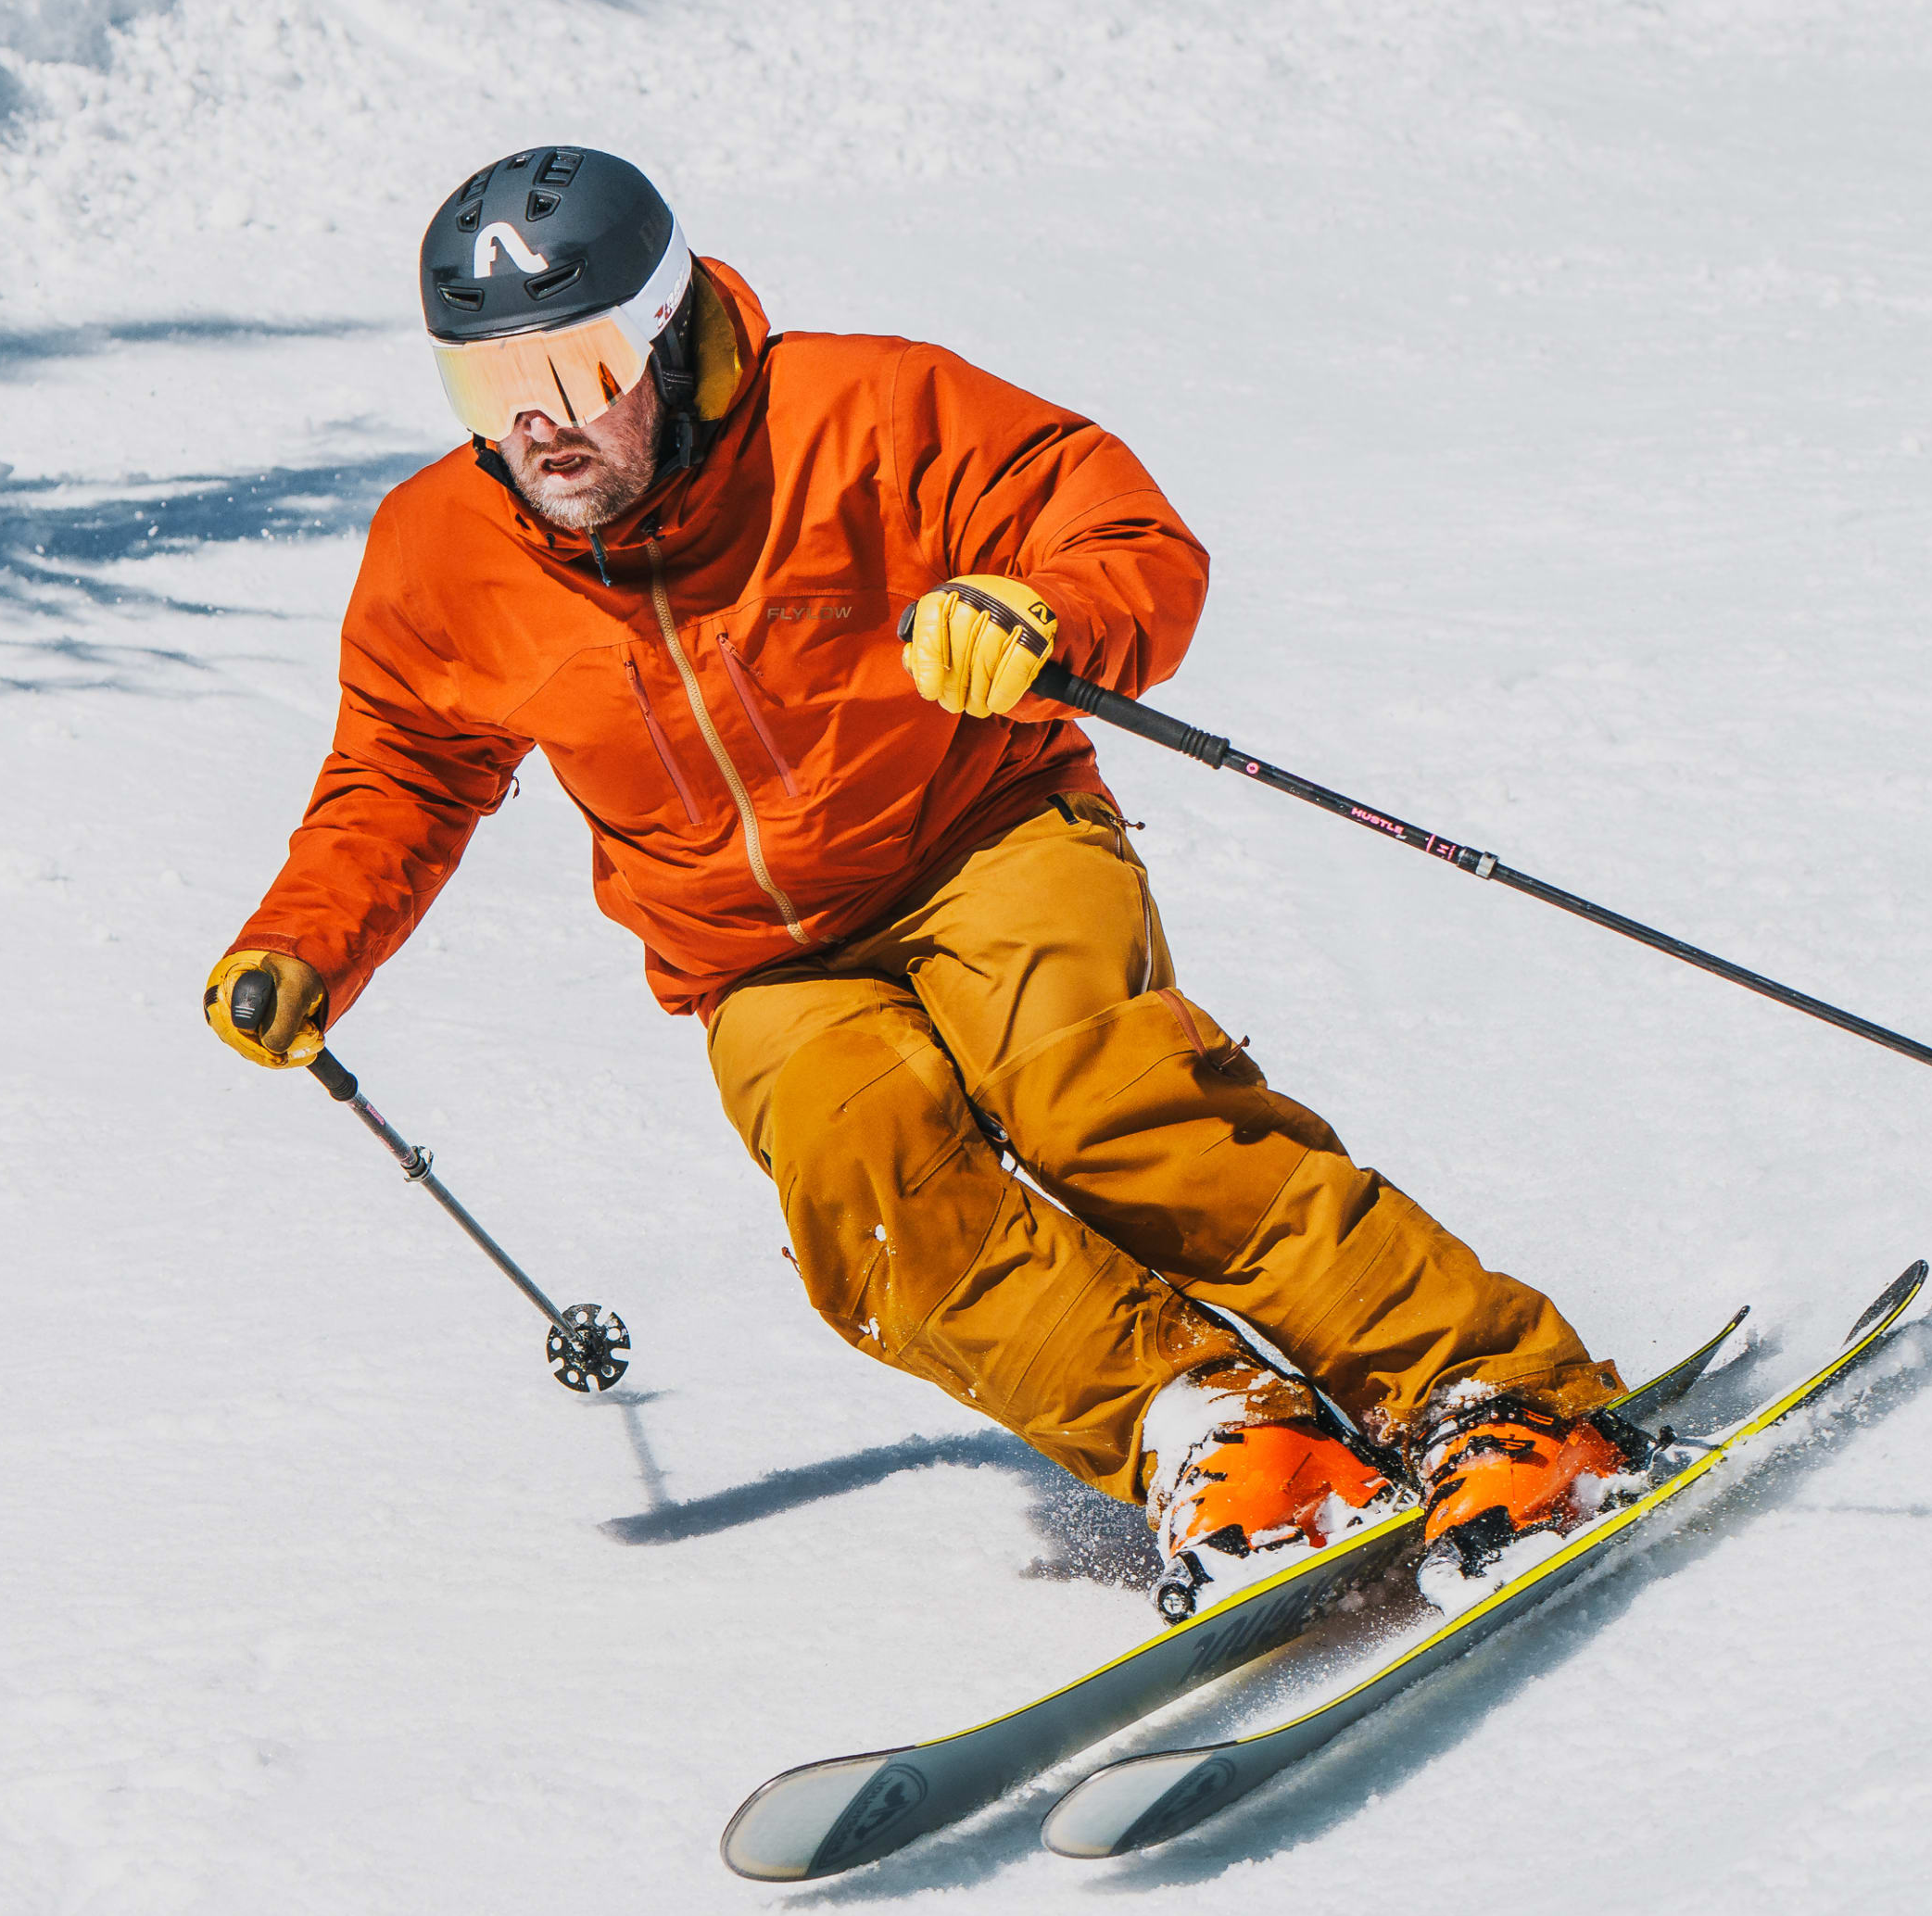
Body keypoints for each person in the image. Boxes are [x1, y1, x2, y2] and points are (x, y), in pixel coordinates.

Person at [203, 146, 1634, 1607]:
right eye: (484, 390)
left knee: (1098, 1096)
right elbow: (406, 769)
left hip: (978, 832)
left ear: (662, 325)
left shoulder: (864, 414)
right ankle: (1212, 1430)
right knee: (865, 1197)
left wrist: (1043, 610)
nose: (537, 430)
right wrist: (305, 943)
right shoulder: (443, 552)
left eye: (571, 371)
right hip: (758, 961)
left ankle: (1491, 1389)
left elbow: (1121, 532)